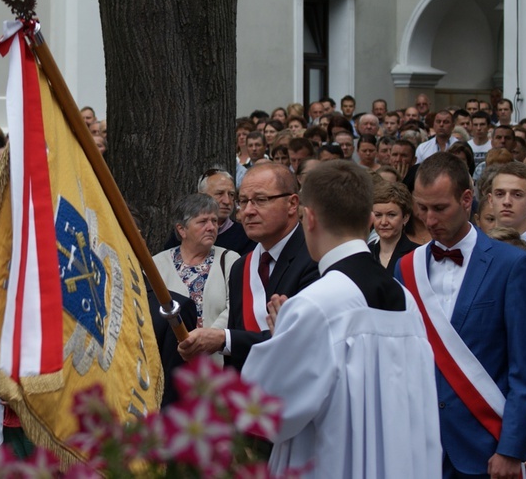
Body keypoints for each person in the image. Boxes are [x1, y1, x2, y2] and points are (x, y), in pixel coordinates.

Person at [242, 160, 441, 478]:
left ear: (308, 218)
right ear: (370, 219)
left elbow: (264, 413)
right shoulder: (406, 301)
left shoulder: (314, 305)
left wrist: (282, 339)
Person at [396, 152, 526, 477]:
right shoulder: (406, 268)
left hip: (486, 447)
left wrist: (510, 448)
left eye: (440, 208)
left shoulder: (511, 265)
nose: (429, 220)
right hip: (418, 446)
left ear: (467, 199)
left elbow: (525, 371)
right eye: (422, 208)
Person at [177, 163, 319, 372]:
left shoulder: (314, 257)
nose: (248, 211)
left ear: (292, 204)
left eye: (261, 200)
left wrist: (223, 339)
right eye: (243, 201)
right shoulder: (242, 267)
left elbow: (304, 340)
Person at [153, 194, 239, 332]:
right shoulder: (157, 264)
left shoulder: (230, 260)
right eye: (203, 221)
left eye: (214, 221)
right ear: (182, 229)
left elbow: (235, 306)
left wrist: (208, 337)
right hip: (169, 350)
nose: (211, 227)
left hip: (214, 349)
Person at [488, 162, 526, 263]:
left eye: (517, 195)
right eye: (500, 194)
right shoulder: (473, 247)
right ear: (491, 200)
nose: (507, 202)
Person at [368, 181, 418, 273]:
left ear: (405, 217)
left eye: (391, 215)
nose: (383, 222)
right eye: (378, 215)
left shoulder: (417, 254)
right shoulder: (366, 253)